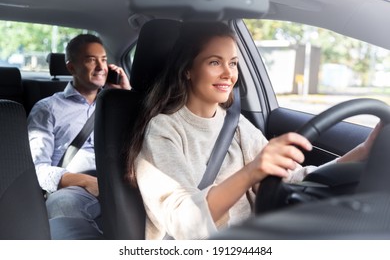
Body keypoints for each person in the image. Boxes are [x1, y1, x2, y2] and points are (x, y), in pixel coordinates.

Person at [126, 21, 382, 240]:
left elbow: (294, 180)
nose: (229, 73)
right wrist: (252, 172)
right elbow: (185, 222)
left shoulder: (235, 125)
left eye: (234, 63)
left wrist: (363, 151)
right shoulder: (163, 131)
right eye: (215, 62)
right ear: (188, 70)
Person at [27, 34, 131, 239]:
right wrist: (86, 181)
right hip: (75, 189)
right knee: (62, 204)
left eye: (103, 59)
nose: (101, 67)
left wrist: (126, 96)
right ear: (71, 67)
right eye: (91, 60)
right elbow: (37, 170)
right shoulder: (47, 108)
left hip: (124, 182)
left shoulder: (120, 104)